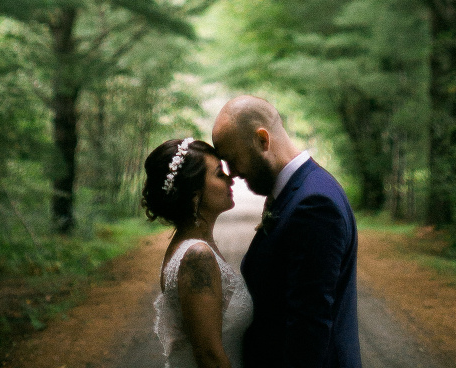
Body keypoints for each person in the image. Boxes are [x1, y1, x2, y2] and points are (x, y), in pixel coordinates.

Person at [212, 97, 362, 368]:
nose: (231, 173)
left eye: (232, 160)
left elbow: (308, 327)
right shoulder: (300, 190)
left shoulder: (314, 204)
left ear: (262, 140)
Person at [143, 137, 253, 368]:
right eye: (219, 174)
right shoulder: (196, 255)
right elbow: (209, 356)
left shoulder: (191, 245)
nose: (230, 179)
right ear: (194, 192)